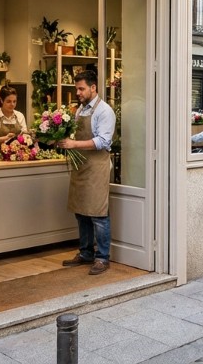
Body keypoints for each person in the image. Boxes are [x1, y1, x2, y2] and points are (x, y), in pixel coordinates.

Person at [58, 70, 117, 276]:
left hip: (96, 168)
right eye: (77, 89)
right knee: (81, 212)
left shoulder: (104, 111)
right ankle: (85, 253)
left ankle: (102, 257)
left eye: (81, 88)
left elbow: (103, 141)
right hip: (80, 167)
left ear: (93, 88)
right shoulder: (79, 111)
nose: (78, 92)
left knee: (98, 214)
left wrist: (73, 143)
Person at [0, 85, 29, 157]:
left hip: (16, 157)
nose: (12, 104)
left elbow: (26, 137)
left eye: (14, 101)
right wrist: (2, 139)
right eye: (8, 101)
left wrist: (27, 137)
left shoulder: (20, 116)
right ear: (1, 100)